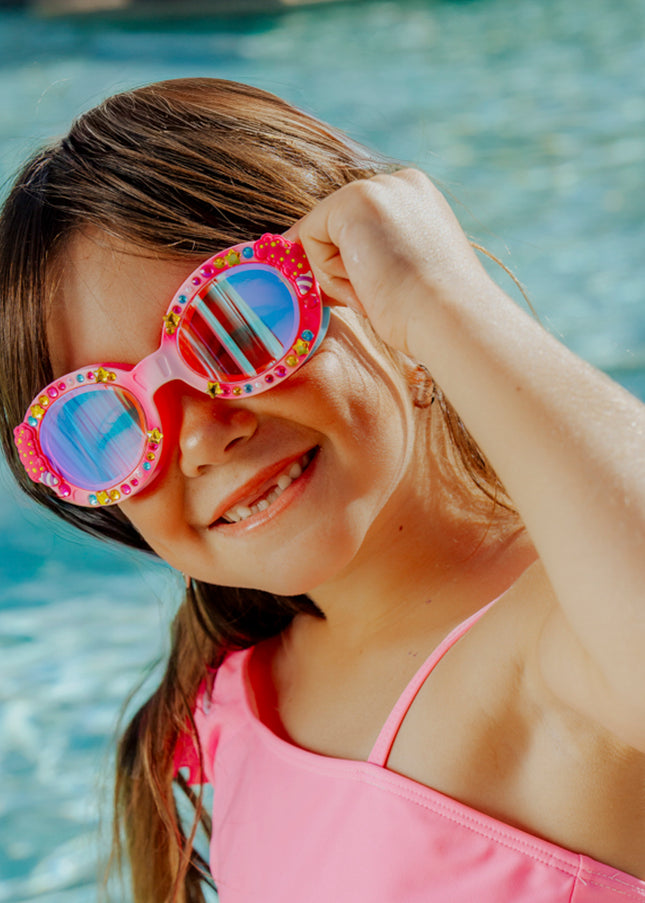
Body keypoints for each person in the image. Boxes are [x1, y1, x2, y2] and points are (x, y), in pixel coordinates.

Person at [1, 78, 644, 903]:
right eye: (105, 423)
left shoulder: (561, 630)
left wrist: (447, 305)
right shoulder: (228, 703)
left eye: (236, 328)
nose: (199, 436)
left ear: (377, 296)